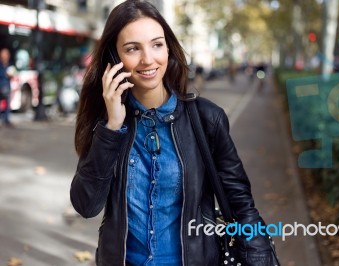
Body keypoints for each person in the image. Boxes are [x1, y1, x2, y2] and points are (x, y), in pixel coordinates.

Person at [70, 1, 279, 266]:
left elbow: (241, 202)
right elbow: (86, 205)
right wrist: (112, 127)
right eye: (133, 48)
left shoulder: (207, 119)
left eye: (156, 44)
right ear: (114, 58)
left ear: (168, 48)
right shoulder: (107, 124)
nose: (148, 59)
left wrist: (259, 256)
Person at [0, 47, 13, 127]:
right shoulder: (2, 65)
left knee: (7, 103)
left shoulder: (8, 64)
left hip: (6, 85)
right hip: (3, 85)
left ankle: (6, 119)